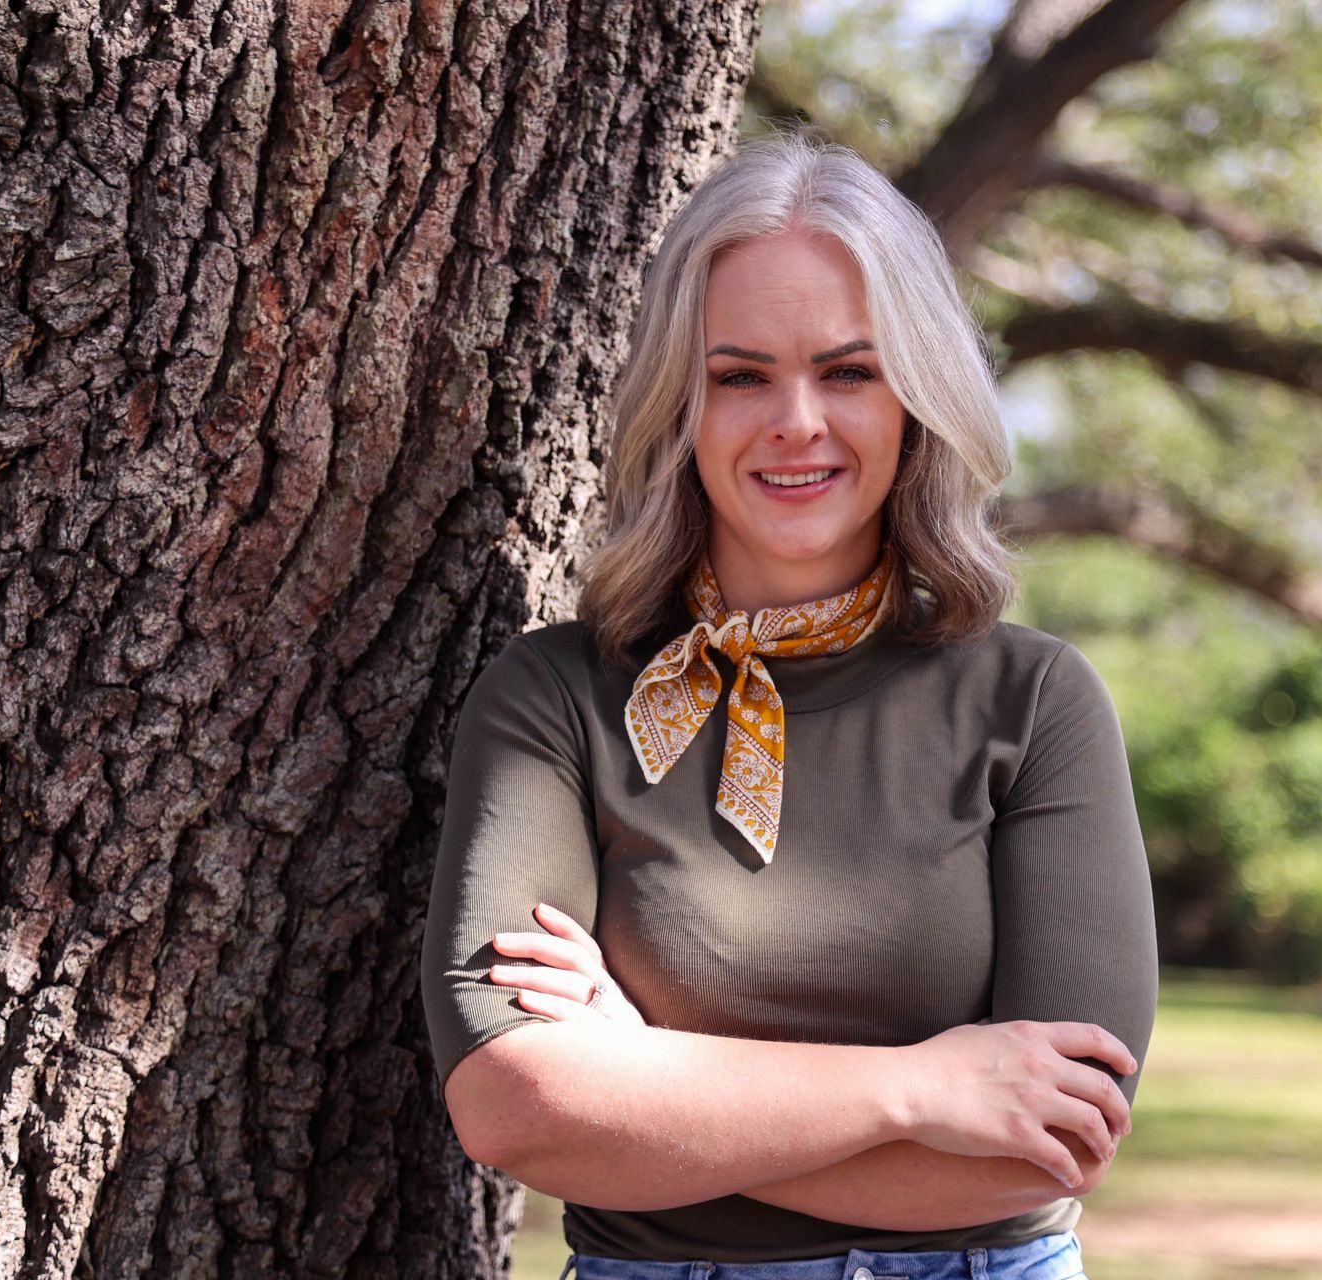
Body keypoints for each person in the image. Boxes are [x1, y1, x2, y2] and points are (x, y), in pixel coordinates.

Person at [419, 131, 1158, 1280]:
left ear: (915, 397)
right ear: (680, 400)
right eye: (741, 373)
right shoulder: (556, 697)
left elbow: (1048, 1145)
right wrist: (921, 1088)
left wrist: (645, 1072)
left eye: (849, 370)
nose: (797, 419)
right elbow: (515, 1108)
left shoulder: (1034, 701)